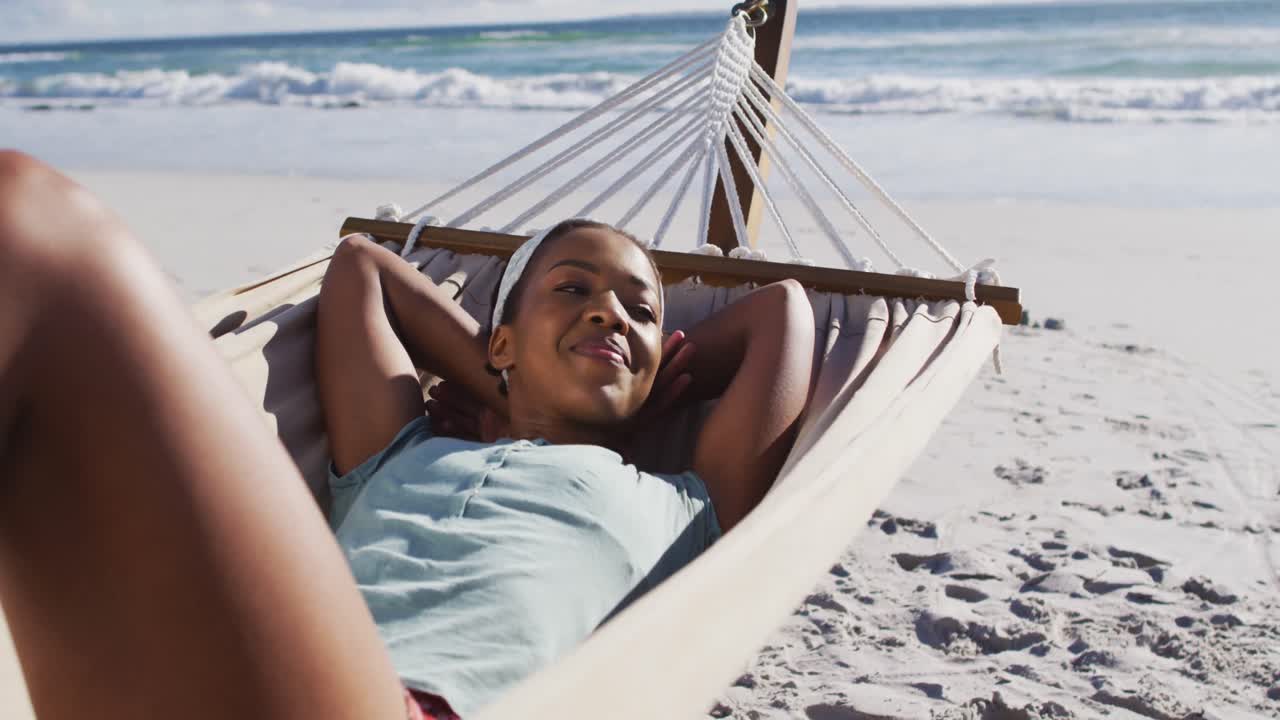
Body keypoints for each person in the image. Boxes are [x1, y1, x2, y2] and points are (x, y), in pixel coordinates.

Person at [0, 151, 814, 720]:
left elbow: (783, 311)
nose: (611, 311)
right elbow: (360, 265)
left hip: (413, 706)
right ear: (498, 341)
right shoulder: (405, 447)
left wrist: (631, 393)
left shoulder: (683, 503)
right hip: (244, 678)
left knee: (32, 223)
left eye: (642, 312)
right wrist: (510, 382)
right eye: (575, 290)